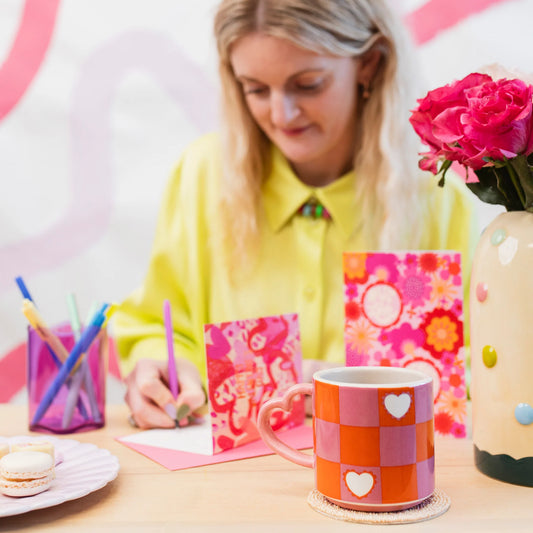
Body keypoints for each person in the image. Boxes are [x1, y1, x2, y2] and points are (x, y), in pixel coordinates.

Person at [113, 0, 479, 429]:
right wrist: (159, 366)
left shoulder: (437, 200)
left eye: (308, 85)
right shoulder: (202, 176)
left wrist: (348, 389)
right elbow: (159, 324)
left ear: (370, 65)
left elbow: (477, 369)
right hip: (231, 483)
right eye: (255, 88)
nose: (281, 114)